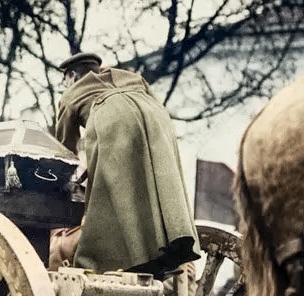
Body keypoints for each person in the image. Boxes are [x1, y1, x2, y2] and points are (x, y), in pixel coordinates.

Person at [54, 51, 200, 278]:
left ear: (72, 76)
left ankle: (111, 260)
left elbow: (63, 151)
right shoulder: (132, 78)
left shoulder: (71, 93)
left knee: (109, 197)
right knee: (157, 184)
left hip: (112, 119)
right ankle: (169, 247)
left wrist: (61, 181)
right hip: (155, 117)